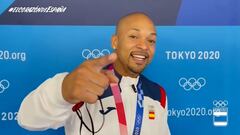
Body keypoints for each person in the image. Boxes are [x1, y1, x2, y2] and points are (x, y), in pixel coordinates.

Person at [17, 12, 171, 135]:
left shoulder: (158, 94)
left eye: (151, 40)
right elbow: (27, 119)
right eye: (133, 36)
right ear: (115, 42)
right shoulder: (84, 82)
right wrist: (62, 91)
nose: (144, 46)